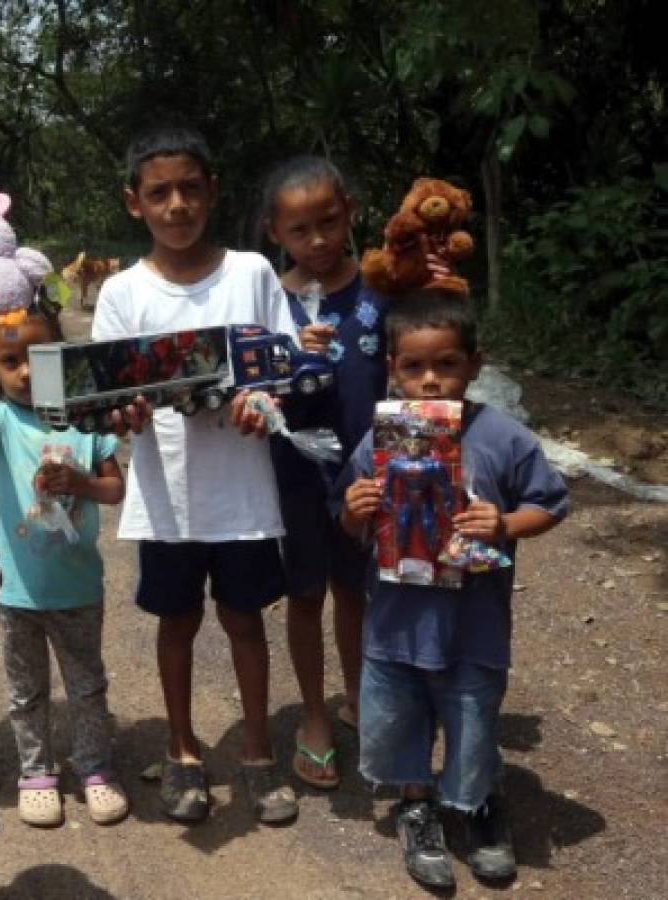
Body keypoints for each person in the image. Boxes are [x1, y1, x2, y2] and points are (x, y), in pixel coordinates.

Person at [91, 124, 327, 826]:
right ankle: (182, 752)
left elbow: (279, 367)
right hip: (165, 499)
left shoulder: (252, 272)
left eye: (189, 189)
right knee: (175, 623)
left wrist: (264, 404)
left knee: (244, 619)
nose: (175, 205)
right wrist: (123, 414)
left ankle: (256, 755)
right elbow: (104, 401)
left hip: (242, 493)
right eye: (158, 192)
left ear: (212, 193)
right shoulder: (121, 293)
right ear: (133, 203)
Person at [336, 292, 568, 889]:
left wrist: (505, 524)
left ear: (475, 364)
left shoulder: (503, 438)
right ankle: (417, 803)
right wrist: (356, 509)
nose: (431, 381)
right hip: (394, 623)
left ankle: (479, 805)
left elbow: (549, 503)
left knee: (472, 721)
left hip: (474, 624)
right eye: (414, 367)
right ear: (392, 368)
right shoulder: (380, 439)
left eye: (447, 365)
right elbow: (349, 516)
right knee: (397, 718)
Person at [0, 294, 128, 828]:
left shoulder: (86, 417)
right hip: (16, 593)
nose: (26, 371)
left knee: (86, 683)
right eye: (9, 361)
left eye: (40, 356)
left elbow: (113, 490)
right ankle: (36, 772)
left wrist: (80, 483)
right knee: (26, 690)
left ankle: (94, 768)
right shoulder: (0, 421)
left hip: (78, 588)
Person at [259, 155, 390, 789]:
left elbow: (423, 360)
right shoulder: (268, 301)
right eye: (299, 230)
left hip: (370, 474)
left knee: (357, 591)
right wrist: (282, 358)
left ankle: (362, 698)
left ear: (351, 215)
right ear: (273, 233)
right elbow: (251, 391)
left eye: (329, 222)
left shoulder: (381, 290)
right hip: (298, 473)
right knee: (306, 592)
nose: (317, 241)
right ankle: (313, 716)